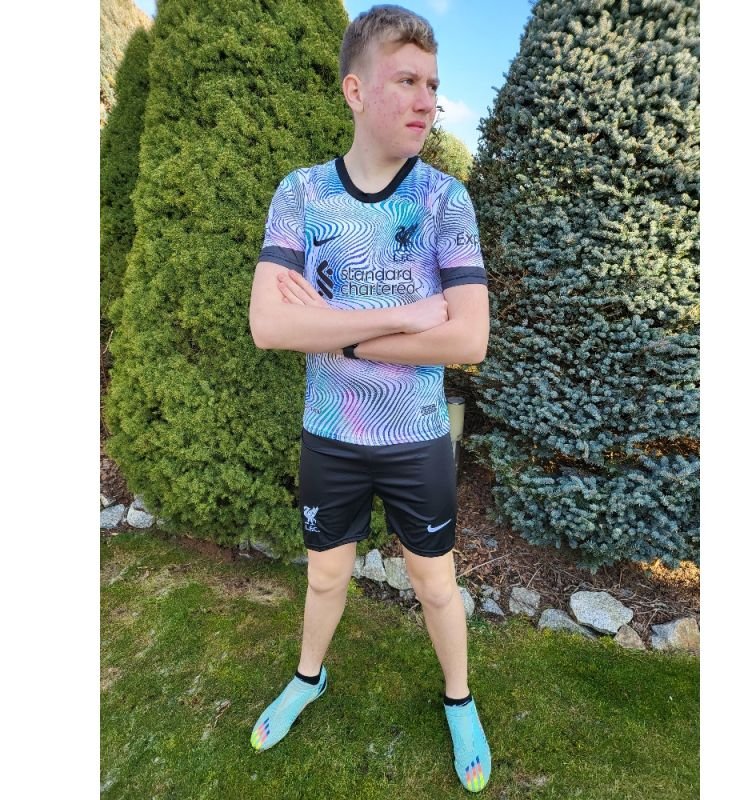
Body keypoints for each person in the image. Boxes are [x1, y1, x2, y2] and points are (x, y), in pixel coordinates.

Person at [247, 4, 491, 793]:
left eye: (434, 85)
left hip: (416, 435)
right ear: (355, 90)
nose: (427, 101)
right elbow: (267, 325)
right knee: (325, 577)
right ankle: (307, 677)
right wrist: (406, 316)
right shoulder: (303, 195)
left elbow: (467, 339)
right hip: (332, 432)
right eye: (407, 81)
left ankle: (459, 699)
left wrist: (334, 332)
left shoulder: (446, 201)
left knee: (435, 583)